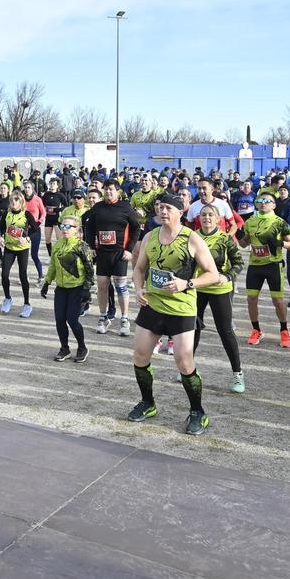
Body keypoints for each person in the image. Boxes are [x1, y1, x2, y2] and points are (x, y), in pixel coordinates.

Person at [128, 193, 223, 435]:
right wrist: (138, 289)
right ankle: (148, 403)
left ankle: (197, 411)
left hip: (182, 309)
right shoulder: (150, 236)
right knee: (140, 355)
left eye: (168, 208)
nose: (163, 212)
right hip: (153, 304)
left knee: (183, 360)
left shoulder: (192, 239)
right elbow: (139, 269)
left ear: (180, 212)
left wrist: (186, 284)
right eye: (160, 207)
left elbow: (213, 274)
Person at [195, 204, 246, 392]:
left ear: (218, 219)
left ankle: (238, 374)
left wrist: (227, 276)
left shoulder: (225, 239)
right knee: (192, 328)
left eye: (211, 215)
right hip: (197, 288)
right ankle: (187, 368)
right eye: (203, 215)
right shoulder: (192, 237)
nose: (207, 218)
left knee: (225, 331)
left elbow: (239, 263)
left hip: (219, 289)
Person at [84, 179, 140, 337]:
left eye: (111, 189)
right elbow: (89, 227)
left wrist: (129, 249)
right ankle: (103, 317)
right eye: (106, 189)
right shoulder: (97, 207)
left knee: (120, 286)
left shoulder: (125, 207)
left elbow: (136, 228)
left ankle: (124, 319)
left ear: (118, 191)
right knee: (102, 285)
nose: (108, 192)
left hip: (120, 253)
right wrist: (91, 247)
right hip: (102, 253)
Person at [238, 192, 290, 347]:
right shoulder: (250, 221)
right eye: (260, 200)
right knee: (251, 299)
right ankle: (256, 330)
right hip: (255, 265)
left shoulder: (280, 222)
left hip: (273, 265)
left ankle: (284, 330)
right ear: (256, 203)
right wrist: (239, 235)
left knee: (277, 301)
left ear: (274, 205)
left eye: (267, 201)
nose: (263, 203)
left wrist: (281, 244)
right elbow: (244, 244)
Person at [40, 215, 95, 362]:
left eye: (68, 226)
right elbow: (53, 265)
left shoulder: (82, 246)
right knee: (59, 319)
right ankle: (64, 348)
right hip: (61, 288)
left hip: (77, 288)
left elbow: (90, 270)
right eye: (62, 226)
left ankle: (82, 347)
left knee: (72, 320)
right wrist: (47, 282)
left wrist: (86, 289)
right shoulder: (58, 244)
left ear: (76, 229)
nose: (64, 229)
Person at [0, 190, 38, 318]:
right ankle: (7, 298)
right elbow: (0, 228)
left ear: (21, 202)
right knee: (4, 274)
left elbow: (36, 230)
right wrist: (0, 237)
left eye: (16, 201)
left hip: (22, 248)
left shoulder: (26, 214)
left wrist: (27, 238)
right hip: (9, 247)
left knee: (22, 275)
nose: (13, 203)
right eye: (11, 201)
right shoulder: (6, 214)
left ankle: (27, 304)